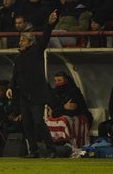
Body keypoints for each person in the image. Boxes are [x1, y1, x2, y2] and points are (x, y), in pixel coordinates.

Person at [6, 9, 58, 158]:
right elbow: (15, 75)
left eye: (23, 40)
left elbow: (45, 38)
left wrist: (49, 24)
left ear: (30, 42)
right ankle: (33, 151)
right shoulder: (18, 57)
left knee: (38, 122)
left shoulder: (36, 51)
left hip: (37, 94)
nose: (20, 42)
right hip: (23, 95)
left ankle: (51, 149)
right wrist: (10, 87)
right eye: (20, 39)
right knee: (27, 124)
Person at [46, 71, 93, 147]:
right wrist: (63, 108)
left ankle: (71, 146)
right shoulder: (55, 93)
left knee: (64, 120)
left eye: (59, 80)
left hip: (81, 117)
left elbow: (72, 110)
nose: (57, 83)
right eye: (56, 81)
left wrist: (58, 111)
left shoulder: (74, 91)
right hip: (63, 117)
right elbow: (53, 111)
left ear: (66, 80)